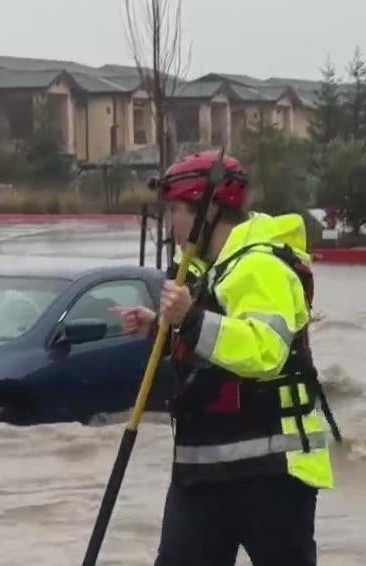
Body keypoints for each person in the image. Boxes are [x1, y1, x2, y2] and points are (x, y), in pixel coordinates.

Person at [116, 150, 340, 566]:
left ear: (209, 210)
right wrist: (161, 328)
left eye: (177, 212)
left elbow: (264, 350)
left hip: (269, 472)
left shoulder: (260, 267)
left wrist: (192, 318)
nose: (171, 226)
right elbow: (212, 348)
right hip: (202, 472)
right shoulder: (209, 271)